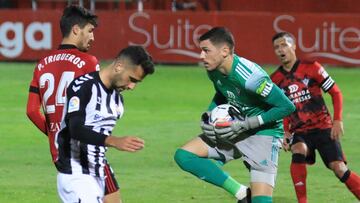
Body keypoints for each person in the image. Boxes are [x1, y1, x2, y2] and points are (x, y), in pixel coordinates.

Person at [174, 27, 295, 203]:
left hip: (264, 134)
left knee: (261, 201)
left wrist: (249, 124)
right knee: (184, 156)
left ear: (224, 51)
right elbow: (223, 93)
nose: (201, 56)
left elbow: (286, 106)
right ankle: (241, 193)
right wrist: (209, 114)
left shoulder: (251, 77)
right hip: (235, 125)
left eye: (206, 50)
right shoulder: (213, 69)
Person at [26, 5, 120, 202]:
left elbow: (32, 111)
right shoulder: (88, 62)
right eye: (90, 31)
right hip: (84, 151)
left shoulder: (42, 64)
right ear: (76, 29)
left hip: (59, 152)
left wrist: (57, 133)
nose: (93, 38)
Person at [55, 45, 154, 202]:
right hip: (76, 172)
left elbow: (96, 144)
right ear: (119, 66)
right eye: (132, 79)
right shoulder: (83, 86)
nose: (132, 87)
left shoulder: (117, 100)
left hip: (100, 168)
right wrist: (114, 141)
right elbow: (76, 129)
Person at [270, 32, 360, 202]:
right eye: (276, 47)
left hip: (323, 127)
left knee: (339, 169)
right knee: (299, 150)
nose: (280, 50)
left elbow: (336, 93)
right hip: (300, 131)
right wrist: (285, 132)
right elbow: (280, 109)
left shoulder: (312, 67)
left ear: (294, 46)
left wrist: (337, 120)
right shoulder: (275, 80)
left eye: (284, 45)